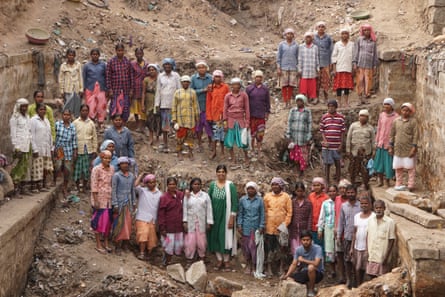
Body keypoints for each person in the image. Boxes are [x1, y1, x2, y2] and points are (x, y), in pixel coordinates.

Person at [207, 165, 238, 271]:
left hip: (226, 215)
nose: (221, 174)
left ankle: (226, 261)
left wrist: (232, 218)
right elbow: (208, 200)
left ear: (226, 173)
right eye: (219, 171)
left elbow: (234, 203)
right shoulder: (212, 185)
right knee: (215, 237)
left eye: (223, 172)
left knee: (224, 237)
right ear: (216, 173)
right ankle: (219, 260)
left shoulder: (230, 186)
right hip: (214, 215)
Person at [281, 230, 324, 297]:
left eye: (307, 240)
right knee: (290, 278)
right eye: (304, 240)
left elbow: (316, 263)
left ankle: (311, 289)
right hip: (304, 272)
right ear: (301, 240)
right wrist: (287, 275)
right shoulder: (298, 249)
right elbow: (294, 264)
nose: (306, 242)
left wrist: (303, 260)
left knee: (311, 267)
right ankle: (308, 285)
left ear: (311, 240)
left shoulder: (318, 248)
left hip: (318, 273)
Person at [263, 177, 292, 276]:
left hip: (281, 229)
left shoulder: (286, 197)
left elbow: (289, 213)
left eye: (277, 184)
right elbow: (265, 211)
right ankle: (269, 268)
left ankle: (281, 268)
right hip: (269, 228)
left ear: (281, 186)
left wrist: (284, 225)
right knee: (270, 249)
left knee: (282, 249)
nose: (275, 186)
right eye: (273, 184)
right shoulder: (267, 197)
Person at [183, 177, 213, 265]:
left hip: (201, 222)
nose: (197, 186)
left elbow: (209, 209)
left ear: (201, 185)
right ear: (191, 185)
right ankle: (189, 259)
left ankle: (201, 258)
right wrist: (184, 221)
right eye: (195, 184)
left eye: (198, 184)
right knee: (190, 242)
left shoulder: (205, 196)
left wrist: (209, 222)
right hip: (191, 222)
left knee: (202, 242)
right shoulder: (188, 196)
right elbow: (185, 208)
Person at [237, 181, 265, 275]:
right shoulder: (242, 200)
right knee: (246, 248)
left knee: (254, 248)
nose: (250, 190)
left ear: (256, 189)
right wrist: (239, 225)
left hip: (256, 228)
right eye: (248, 188)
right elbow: (240, 213)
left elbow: (262, 214)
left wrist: (261, 226)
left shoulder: (260, 200)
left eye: (252, 188)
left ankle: (254, 265)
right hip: (246, 227)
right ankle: (248, 264)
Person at [389, 102, 418, 191]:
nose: (405, 112)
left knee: (410, 168)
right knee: (398, 167)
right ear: (401, 111)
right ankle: (398, 183)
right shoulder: (396, 121)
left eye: (407, 111)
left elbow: (416, 135)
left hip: (409, 148)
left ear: (410, 112)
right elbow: (392, 134)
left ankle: (410, 185)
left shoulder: (413, 122)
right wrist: (391, 146)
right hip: (398, 148)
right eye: (404, 110)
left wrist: (414, 147)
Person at [154, 58, 181, 153]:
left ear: (172, 66)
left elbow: (179, 89)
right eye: (165, 65)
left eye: (169, 65)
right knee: (165, 126)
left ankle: (178, 145)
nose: (167, 67)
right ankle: (165, 144)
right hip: (164, 105)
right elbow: (158, 90)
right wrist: (157, 104)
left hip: (174, 105)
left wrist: (180, 103)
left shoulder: (176, 76)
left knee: (177, 125)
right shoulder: (160, 76)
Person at [337, 184, 361, 289]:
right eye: (348, 192)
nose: (350, 194)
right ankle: (349, 280)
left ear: (356, 193)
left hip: (359, 238)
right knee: (347, 260)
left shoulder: (361, 205)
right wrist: (338, 236)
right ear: (346, 193)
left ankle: (358, 281)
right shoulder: (344, 206)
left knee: (357, 261)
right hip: (347, 237)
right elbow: (341, 222)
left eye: (352, 192)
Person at [90, 150, 114, 254]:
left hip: (109, 199)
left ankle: (106, 243)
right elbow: (94, 185)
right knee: (98, 222)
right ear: (101, 158)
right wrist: (96, 201)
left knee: (108, 222)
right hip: (100, 199)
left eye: (109, 158)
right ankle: (98, 244)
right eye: (105, 158)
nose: (107, 160)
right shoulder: (96, 169)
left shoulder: (112, 169)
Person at [223, 77, 250, 168]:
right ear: (231, 86)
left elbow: (247, 109)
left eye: (237, 84)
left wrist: (247, 122)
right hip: (230, 119)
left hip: (240, 119)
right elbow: (225, 109)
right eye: (234, 84)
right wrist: (225, 122)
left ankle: (246, 157)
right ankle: (233, 158)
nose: (235, 86)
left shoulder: (244, 95)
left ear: (240, 85)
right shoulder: (228, 96)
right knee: (229, 141)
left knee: (244, 140)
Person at [134, 173, 162, 261]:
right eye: (149, 182)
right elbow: (134, 186)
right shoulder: (142, 191)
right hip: (142, 217)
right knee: (143, 235)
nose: (152, 184)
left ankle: (149, 255)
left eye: (153, 182)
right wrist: (140, 176)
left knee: (152, 238)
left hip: (153, 219)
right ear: (146, 183)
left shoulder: (160, 194)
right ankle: (142, 253)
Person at [172, 75, 199, 161]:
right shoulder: (177, 92)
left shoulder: (193, 92)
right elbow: (174, 106)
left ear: (189, 83)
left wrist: (197, 116)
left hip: (190, 119)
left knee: (190, 136)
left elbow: (196, 105)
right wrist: (174, 119)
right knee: (180, 136)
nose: (185, 83)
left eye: (187, 82)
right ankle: (179, 152)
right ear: (181, 83)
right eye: (184, 82)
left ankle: (190, 152)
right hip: (180, 119)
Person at [111, 157, 136, 254]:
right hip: (120, 204)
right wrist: (115, 204)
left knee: (128, 225)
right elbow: (113, 191)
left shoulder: (131, 176)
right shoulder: (116, 176)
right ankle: (117, 246)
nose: (125, 165)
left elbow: (132, 190)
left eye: (126, 163)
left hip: (128, 204)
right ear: (119, 165)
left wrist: (134, 203)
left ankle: (125, 244)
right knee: (119, 224)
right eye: (123, 163)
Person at [158, 177, 184, 265]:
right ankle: (167, 262)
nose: (172, 186)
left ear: (176, 185)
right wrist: (162, 227)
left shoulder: (180, 195)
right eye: (170, 184)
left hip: (178, 227)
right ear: (167, 185)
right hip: (168, 228)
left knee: (179, 245)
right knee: (168, 245)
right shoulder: (164, 198)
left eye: (174, 184)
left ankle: (173, 262)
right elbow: (161, 214)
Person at [346, 109, 375, 189]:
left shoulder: (370, 128)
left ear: (367, 118)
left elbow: (373, 141)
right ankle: (352, 184)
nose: (362, 118)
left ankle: (364, 184)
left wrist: (374, 152)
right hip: (354, 152)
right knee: (353, 168)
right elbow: (348, 138)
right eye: (361, 116)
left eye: (364, 116)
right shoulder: (353, 125)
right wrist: (348, 150)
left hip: (366, 152)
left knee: (365, 170)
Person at [320, 99, 346, 185]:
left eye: (332, 106)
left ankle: (338, 181)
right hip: (327, 146)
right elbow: (322, 131)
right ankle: (327, 182)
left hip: (337, 145)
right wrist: (325, 141)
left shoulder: (341, 118)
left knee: (337, 164)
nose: (331, 108)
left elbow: (342, 132)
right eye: (329, 107)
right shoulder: (324, 117)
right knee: (327, 165)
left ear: (336, 107)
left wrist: (341, 145)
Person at [366, 200, 395, 277]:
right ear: (374, 209)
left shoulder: (390, 222)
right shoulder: (370, 221)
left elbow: (391, 240)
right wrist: (367, 251)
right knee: (371, 277)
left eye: (380, 208)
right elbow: (368, 236)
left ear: (384, 208)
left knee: (382, 279)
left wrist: (386, 257)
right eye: (376, 208)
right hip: (372, 255)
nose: (378, 210)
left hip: (382, 257)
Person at [10, 98, 33, 195]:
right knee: (17, 168)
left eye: (26, 106)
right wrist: (16, 147)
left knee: (25, 168)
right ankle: (16, 190)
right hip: (19, 147)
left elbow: (29, 131)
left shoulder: (27, 117)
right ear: (19, 107)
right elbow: (13, 134)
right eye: (23, 106)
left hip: (27, 146)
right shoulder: (14, 118)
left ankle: (24, 188)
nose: (24, 108)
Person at [286, 94, 312, 178]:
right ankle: (296, 170)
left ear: (303, 102)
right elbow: (289, 123)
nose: (299, 102)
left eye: (301, 101)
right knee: (295, 155)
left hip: (303, 138)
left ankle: (301, 171)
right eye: (297, 101)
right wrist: (288, 134)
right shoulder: (293, 111)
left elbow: (309, 124)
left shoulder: (307, 111)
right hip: (294, 137)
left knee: (302, 156)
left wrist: (308, 136)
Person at [73, 104, 98, 192]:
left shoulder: (91, 123)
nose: (85, 112)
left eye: (86, 110)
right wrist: (74, 149)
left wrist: (95, 150)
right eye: (83, 110)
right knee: (77, 169)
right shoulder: (75, 123)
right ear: (80, 111)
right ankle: (77, 186)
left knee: (86, 170)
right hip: (78, 149)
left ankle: (84, 187)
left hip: (88, 149)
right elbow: (73, 136)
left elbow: (94, 137)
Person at [374, 98, 399, 187]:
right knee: (379, 164)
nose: (386, 106)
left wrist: (392, 145)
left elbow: (396, 132)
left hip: (389, 145)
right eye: (384, 104)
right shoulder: (382, 115)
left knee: (388, 165)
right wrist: (376, 142)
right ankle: (380, 181)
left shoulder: (396, 117)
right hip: (381, 143)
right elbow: (379, 128)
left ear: (392, 106)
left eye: (388, 104)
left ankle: (387, 181)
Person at [246, 70, 271, 156]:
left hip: (261, 115)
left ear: (262, 78)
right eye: (257, 77)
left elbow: (267, 102)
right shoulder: (249, 89)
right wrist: (246, 113)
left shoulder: (265, 89)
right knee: (252, 133)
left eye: (260, 77)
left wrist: (267, 112)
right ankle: (252, 149)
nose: (258, 79)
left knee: (260, 133)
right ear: (254, 78)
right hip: (252, 115)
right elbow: (246, 102)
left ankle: (259, 149)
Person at [106, 43, 133, 122]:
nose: (120, 52)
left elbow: (131, 76)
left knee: (125, 108)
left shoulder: (127, 62)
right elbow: (108, 76)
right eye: (118, 51)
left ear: (124, 51)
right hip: (115, 90)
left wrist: (131, 89)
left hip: (125, 90)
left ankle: (123, 125)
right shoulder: (111, 62)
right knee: (114, 108)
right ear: (116, 51)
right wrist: (109, 89)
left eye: (121, 50)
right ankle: (114, 125)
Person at [54, 109, 78, 196]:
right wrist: (54, 149)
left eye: (68, 115)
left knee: (67, 169)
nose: (66, 116)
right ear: (62, 115)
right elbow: (54, 137)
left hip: (68, 149)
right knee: (58, 166)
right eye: (64, 114)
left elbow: (74, 140)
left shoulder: (72, 127)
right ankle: (55, 182)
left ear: (70, 116)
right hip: (59, 149)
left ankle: (64, 186)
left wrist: (75, 151)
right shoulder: (57, 125)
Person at [206, 70, 229, 159]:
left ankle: (223, 151)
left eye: (219, 77)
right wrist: (209, 115)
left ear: (221, 78)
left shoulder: (225, 87)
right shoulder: (210, 87)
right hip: (214, 114)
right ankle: (214, 151)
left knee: (222, 134)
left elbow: (228, 100)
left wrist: (227, 114)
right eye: (216, 77)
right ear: (213, 78)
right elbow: (208, 102)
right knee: (215, 134)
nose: (217, 79)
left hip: (223, 114)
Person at [351, 194, 374, 286]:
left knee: (367, 270)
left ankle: (366, 287)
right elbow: (355, 232)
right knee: (357, 268)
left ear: (370, 204)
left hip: (368, 247)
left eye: (366, 203)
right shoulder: (357, 216)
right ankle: (358, 286)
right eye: (362, 203)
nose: (364, 205)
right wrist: (352, 248)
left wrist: (369, 249)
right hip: (357, 246)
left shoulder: (373, 216)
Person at [30, 103, 53, 192]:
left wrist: (51, 147)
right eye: (41, 109)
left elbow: (49, 134)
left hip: (46, 148)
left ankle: (42, 185)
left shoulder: (46, 120)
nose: (43, 111)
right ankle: (34, 186)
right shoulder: (33, 120)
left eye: (44, 109)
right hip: (38, 148)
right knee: (36, 168)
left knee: (44, 168)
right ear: (37, 110)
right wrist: (34, 148)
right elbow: (31, 135)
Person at [190, 60, 213, 152]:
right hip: (197, 105)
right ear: (197, 69)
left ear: (206, 68)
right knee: (198, 126)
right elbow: (191, 91)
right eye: (199, 68)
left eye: (203, 67)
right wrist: (203, 90)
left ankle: (210, 142)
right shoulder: (193, 78)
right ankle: (199, 143)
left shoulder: (210, 78)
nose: (201, 69)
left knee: (209, 125)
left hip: (208, 106)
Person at [82, 48, 107, 130]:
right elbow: (84, 77)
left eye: (96, 54)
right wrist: (83, 89)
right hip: (90, 89)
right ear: (91, 55)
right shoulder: (87, 66)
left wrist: (107, 88)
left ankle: (100, 125)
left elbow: (106, 77)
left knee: (101, 107)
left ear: (99, 55)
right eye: (93, 54)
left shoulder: (103, 65)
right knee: (91, 107)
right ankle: (91, 125)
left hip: (101, 88)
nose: (95, 56)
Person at [353, 24, 378, 105]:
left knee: (368, 81)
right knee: (360, 81)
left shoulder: (373, 41)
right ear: (363, 31)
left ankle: (365, 97)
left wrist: (375, 65)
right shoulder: (359, 40)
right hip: (360, 64)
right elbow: (356, 51)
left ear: (370, 31)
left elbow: (375, 54)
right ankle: (360, 98)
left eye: (368, 30)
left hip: (369, 65)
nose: (366, 32)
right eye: (365, 30)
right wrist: (354, 62)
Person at [317, 184, 337, 278]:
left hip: (338, 228)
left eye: (334, 191)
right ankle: (332, 270)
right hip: (328, 228)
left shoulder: (340, 202)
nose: (332, 193)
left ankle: (340, 270)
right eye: (330, 191)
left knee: (339, 249)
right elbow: (322, 216)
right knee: (329, 250)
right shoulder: (325, 203)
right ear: (328, 193)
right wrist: (320, 229)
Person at [332, 28, 354, 108]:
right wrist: (334, 69)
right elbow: (334, 57)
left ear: (348, 35)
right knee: (339, 87)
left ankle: (346, 102)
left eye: (346, 33)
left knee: (346, 87)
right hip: (339, 68)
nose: (344, 35)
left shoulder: (352, 44)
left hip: (348, 68)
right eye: (343, 33)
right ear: (340, 35)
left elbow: (353, 57)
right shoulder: (337, 44)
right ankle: (339, 102)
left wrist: (353, 68)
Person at [276, 28, 299, 108]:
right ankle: (285, 101)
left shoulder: (296, 45)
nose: (289, 35)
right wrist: (278, 68)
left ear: (293, 35)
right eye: (287, 34)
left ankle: (289, 101)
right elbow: (278, 57)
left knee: (291, 85)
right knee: (284, 85)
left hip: (293, 67)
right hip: (284, 67)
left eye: (291, 34)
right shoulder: (281, 44)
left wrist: (298, 67)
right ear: (285, 35)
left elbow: (297, 57)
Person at [334, 179, 351, 284]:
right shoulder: (337, 199)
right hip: (338, 231)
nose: (342, 190)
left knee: (348, 257)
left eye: (344, 188)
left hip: (348, 233)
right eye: (340, 188)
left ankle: (350, 277)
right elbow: (336, 215)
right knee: (339, 255)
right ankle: (341, 276)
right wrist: (335, 229)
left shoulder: (351, 201)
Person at [289, 182, 312, 256]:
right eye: (298, 191)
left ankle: (303, 264)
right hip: (294, 229)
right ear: (295, 191)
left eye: (301, 191)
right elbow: (290, 215)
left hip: (304, 229)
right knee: (294, 248)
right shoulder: (292, 202)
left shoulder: (308, 203)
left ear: (304, 191)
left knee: (304, 248)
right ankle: (296, 264)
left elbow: (309, 217)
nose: (299, 193)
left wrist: (308, 230)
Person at [59, 49, 83, 118]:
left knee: (76, 106)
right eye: (69, 55)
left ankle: (75, 120)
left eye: (72, 55)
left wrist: (81, 89)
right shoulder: (63, 66)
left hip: (76, 89)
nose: (71, 57)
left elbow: (80, 77)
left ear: (74, 56)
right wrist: (61, 90)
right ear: (67, 56)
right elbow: (61, 79)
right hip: (67, 89)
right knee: (68, 106)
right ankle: (68, 120)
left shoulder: (78, 65)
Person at [313, 21, 333, 104]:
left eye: (322, 26)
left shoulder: (328, 38)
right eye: (319, 26)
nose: (321, 28)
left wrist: (331, 62)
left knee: (326, 81)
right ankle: (316, 98)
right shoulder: (314, 38)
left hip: (326, 63)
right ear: (316, 28)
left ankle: (326, 98)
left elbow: (331, 50)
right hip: (316, 63)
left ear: (325, 28)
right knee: (316, 81)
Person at [298, 31, 320, 105]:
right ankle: (304, 99)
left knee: (312, 85)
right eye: (306, 37)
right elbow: (299, 58)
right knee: (304, 85)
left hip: (312, 69)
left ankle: (312, 99)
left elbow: (317, 58)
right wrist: (299, 69)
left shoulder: (315, 47)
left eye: (309, 37)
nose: (308, 39)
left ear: (312, 38)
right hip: (304, 69)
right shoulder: (301, 47)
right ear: (304, 38)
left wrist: (318, 69)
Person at [142, 64, 161, 145]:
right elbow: (143, 92)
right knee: (149, 120)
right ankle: (150, 138)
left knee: (158, 120)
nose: (152, 71)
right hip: (149, 100)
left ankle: (157, 137)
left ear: (156, 70)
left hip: (158, 99)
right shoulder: (146, 80)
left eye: (153, 70)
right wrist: (142, 104)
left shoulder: (160, 79)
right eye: (150, 70)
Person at [130, 47, 148, 132]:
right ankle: (137, 125)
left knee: (143, 108)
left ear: (143, 54)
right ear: (135, 54)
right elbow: (130, 77)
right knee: (135, 108)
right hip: (135, 88)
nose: (139, 55)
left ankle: (143, 126)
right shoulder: (132, 64)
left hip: (144, 89)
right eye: (137, 53)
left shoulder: (147, 65)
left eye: (140, 53)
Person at [308, 177, 329, 251]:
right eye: (314, 185)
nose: (316, 187)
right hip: (312, 225)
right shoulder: (310, 196)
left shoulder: (326, 197)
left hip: (321, 226)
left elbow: (327, 214)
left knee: (321, 246)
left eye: (318, 185)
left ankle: (321, 261)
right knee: (312, 246)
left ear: (322, 186)